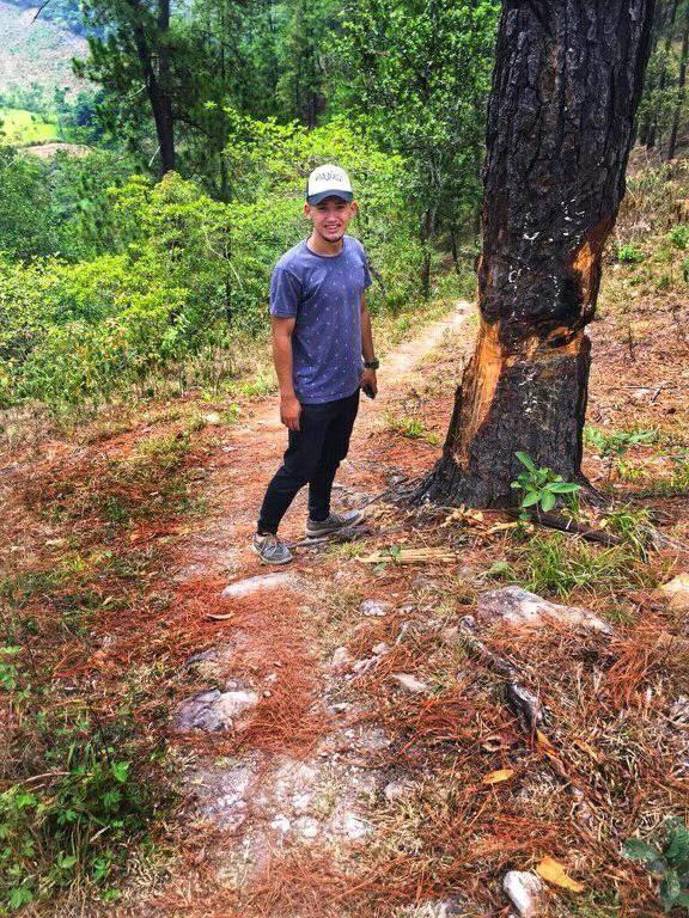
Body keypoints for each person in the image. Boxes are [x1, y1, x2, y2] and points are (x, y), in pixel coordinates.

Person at [252, 163, 379, 565]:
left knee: (333, 453)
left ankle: (320, 518)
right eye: (322, 207)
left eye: (339, 206)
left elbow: (360, 307)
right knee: (301, 464)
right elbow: (281, 334)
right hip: (311, 391)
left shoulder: (356, 251)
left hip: (347, 383)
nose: (331, 216)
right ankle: (264, 532)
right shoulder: (291, 269)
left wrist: (370, 363)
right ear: (307, 211)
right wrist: (287, 397)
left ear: (352, 209)